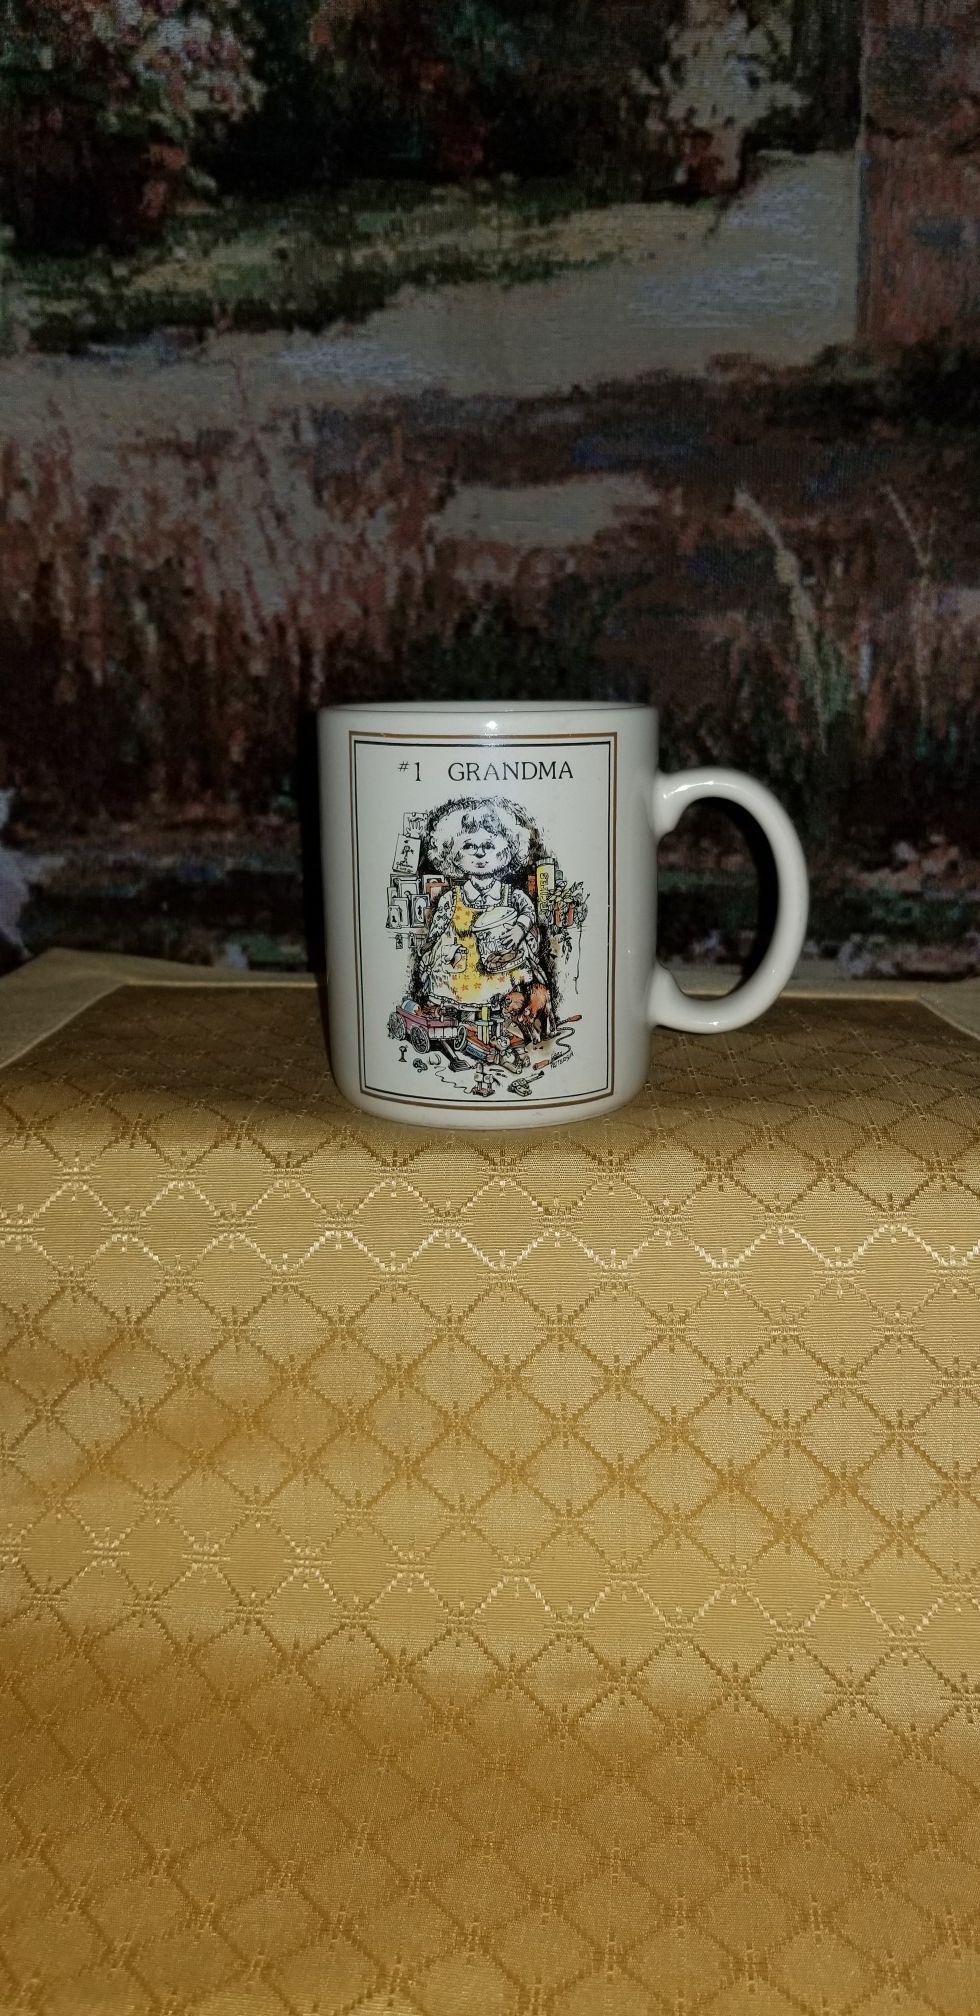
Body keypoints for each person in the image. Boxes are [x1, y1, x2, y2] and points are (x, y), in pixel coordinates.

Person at [414, 797, 555, 1043]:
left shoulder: (511, 895)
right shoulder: (451, 898)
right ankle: (468, 1035)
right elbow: (436, 933)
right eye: (469, 845)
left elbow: (528, 912)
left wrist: (519, 929)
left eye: (489, 845)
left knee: (505, 1004)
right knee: (463, 1010)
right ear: (451, 852)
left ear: (508, 849)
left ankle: (502, 1034)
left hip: (502, 966)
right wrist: (429, 955)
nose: (479, 853)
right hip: (461, 972)